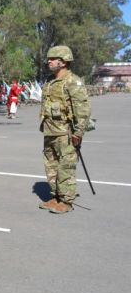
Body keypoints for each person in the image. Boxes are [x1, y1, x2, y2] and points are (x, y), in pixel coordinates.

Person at [39, 45, 91, 214]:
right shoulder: (49, 81)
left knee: (66, 167)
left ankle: (66, 201)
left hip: (66, 133)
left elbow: (82, 109)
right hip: (50, 131)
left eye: (52, 59)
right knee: (51, 166)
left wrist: (78, 132)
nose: (49, 61)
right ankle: (55, 196)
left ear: (63, 62)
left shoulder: (72, 81)